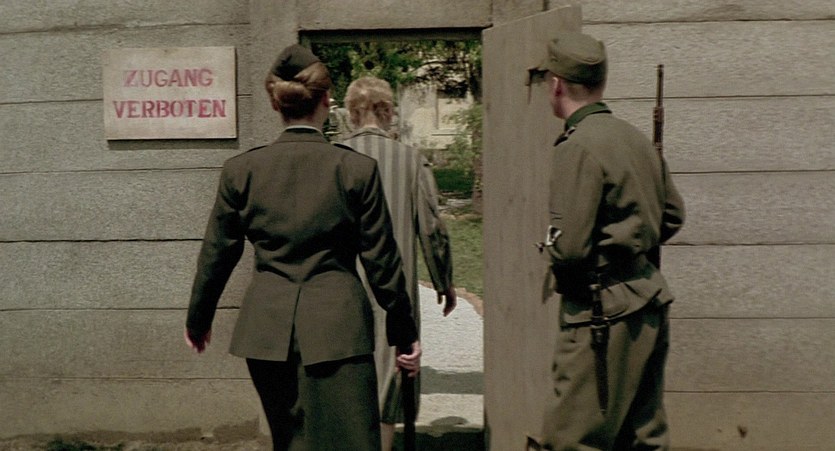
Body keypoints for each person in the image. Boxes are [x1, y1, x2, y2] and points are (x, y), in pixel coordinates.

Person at [184, 44, 421, 451]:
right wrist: (405, 334)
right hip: (338, 328)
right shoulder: (355, 170)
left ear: (275, 104)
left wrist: (198, 319)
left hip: (267, 331)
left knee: (290, 440)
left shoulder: (242, 170)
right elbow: (381, 261)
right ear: (327, 100)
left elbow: (217, 253)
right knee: (349, 442)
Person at [528, 31, 685, 450]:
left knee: (573, 439)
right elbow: (672, 215)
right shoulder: (634, 138)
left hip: (599, 314)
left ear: (556, 84)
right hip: (648, 300)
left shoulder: (578, 146)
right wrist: (631, 244)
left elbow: (571, 249)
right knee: (643, 437)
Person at [341, 76, 457, 451]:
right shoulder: (410, 160)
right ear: (389, 111)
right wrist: (443, 280)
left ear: (351, 114)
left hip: (341, 287)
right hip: (395, 292)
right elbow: (432, 228)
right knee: (390, 379)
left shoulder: (333, 158)